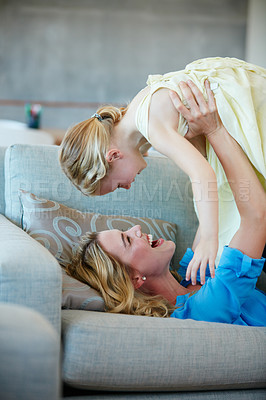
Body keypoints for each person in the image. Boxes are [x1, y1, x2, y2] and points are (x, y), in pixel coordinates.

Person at [66, 83, 266, 326]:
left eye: (127, 232)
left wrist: (196, 133)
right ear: (135, 279)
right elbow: (257, 217)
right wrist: (215, 131)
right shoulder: (202, 310)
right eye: (127, 240)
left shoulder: (190, 273)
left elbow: (217, 194)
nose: (136, 229)